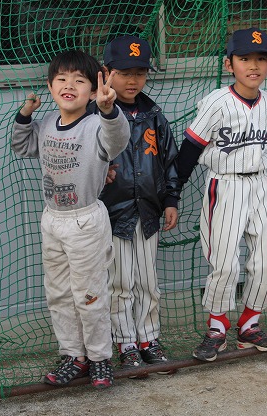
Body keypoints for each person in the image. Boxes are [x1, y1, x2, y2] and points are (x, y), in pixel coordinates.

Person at [11, 50, 130, 388]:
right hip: (53, 220)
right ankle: (73, 356)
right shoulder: (48, 123)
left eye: (79, 81)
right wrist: (25, 114)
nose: (69, 86)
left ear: (92, 91)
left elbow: (118, 140)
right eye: (61, 79)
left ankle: (99, 358)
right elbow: (22, 146)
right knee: (59, 294)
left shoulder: (96, 126)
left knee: (89, 295)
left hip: (85, 221)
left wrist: (108, 109)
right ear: (50, 86)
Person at [176, 28, 267, 362]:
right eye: (245, 58)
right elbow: (189, 149)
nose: (253, 65)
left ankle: (250, 324)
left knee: (264, 261)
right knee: (224, 262)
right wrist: (171, 194)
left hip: (260, 184)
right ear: (229, 64)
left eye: (261, 59)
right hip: (225, 184)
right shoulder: (217, 102)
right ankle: (217, 327)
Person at [98, 35, 180, 376]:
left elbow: (170, 161)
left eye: (140, 73)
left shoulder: (153, 115)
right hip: (111, 214)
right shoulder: (95, 115)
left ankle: (149, 339)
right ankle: (125, 343)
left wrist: (171, 200)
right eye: (124, 72)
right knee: (119, 283)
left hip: (147, 211)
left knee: (148, 282)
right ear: (106, 73)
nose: (133, 80)